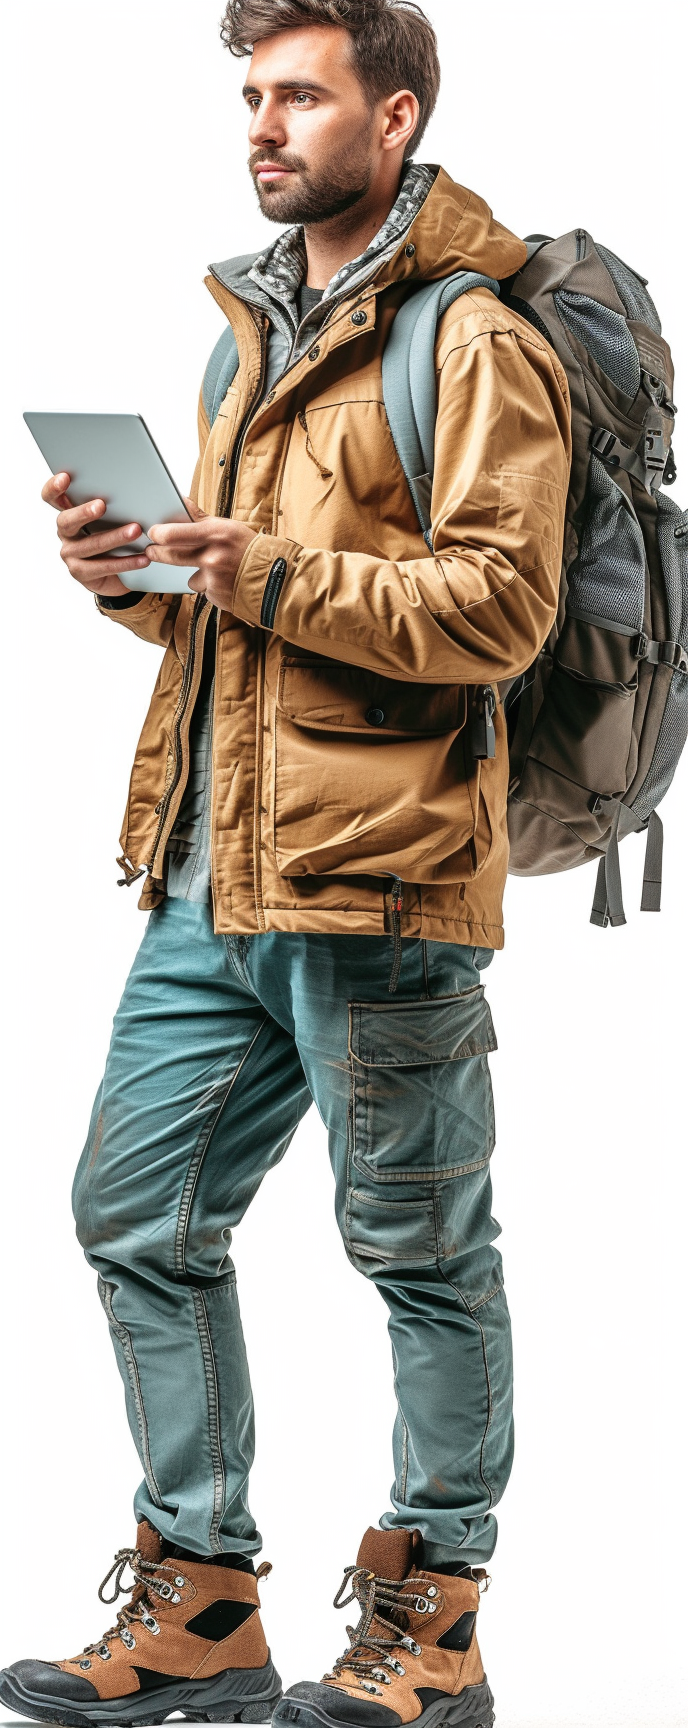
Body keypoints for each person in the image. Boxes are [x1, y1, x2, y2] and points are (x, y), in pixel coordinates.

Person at [0, 4, 571, 1727]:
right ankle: (200, 1603)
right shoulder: (247, 326)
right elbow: (231, 619)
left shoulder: (471, 339)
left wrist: (263, 575)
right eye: (252, 95)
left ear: (394, 116)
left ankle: (436, 1622)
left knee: (418, 1254)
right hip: (207, 876)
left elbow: (501, 607)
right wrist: (137, 569)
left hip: (381, 888)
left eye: (301, 94)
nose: (265, 123)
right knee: (134, 1218)